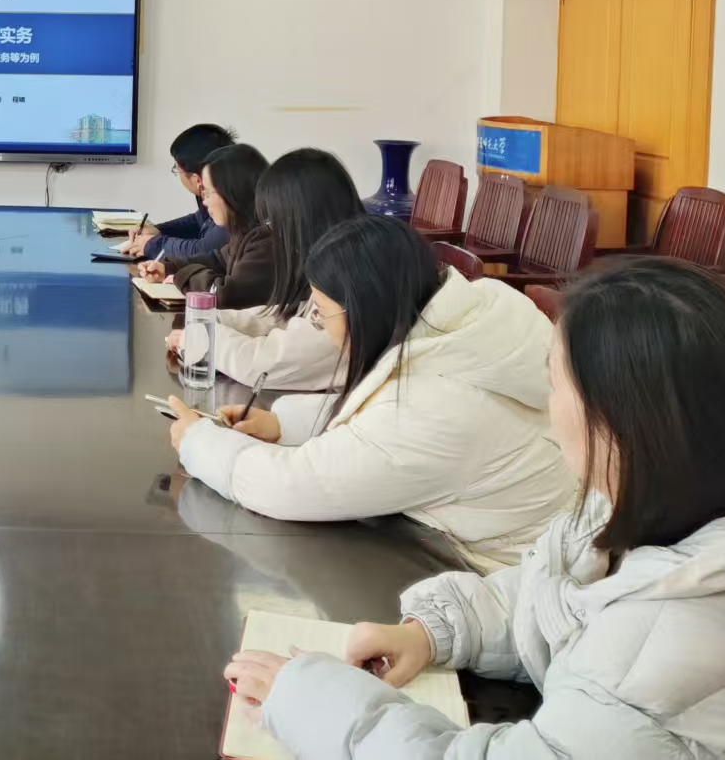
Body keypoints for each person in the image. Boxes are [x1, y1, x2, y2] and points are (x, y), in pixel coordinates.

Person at [224, 257, 725, 758]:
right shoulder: (668, 507)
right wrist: (435, 630)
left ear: (617, 422)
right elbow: (556, 591)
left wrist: (312, 701)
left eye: (555, 384)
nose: (548, 408)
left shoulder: (671, 648)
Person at [167, 213, 573, 572]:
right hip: (502, 545)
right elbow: (388, 411)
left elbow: (292, 485)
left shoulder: (439, 409)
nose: (323, 328)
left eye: (323, 313)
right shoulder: (469, 317)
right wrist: (283, 423)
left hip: (494, 579)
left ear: (364, 309)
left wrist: (198, 442)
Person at [159, 148, 365, 389]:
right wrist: (208, 322)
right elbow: (285, 318)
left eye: (275, 219)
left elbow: (267, 364)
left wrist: (205, 337)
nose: (270, 229)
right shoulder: (336, 261)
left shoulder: (351, 280)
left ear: (303, 218)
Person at [136, 143, 273, 310]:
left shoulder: (266, 239)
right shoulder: (244, 230)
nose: (205, 201)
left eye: (207, 192)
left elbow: (226, 294)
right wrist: (169, 267)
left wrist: (183, 276)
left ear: (232, 192)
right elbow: (218, 260)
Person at [120, 123, 236, 261]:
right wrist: (158, 230)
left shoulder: (232, 205)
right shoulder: (224, 187)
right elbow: (200, 221)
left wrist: (152, 245)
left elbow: (203, 251)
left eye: (177, 170)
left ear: (197, 179)